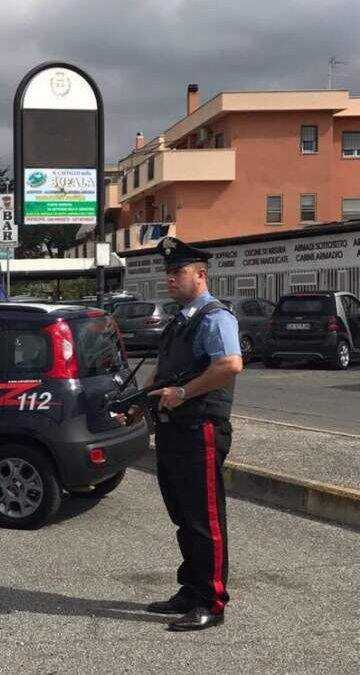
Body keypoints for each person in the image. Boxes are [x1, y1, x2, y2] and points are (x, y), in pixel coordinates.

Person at [139, 237, 243, 631]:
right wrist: (140, 401)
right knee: (183, 515)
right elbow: (164, 369)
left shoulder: (215, 317)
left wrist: (183, 393)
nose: (170, 279)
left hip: (201, 428)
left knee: (204, 519)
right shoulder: (182, 318)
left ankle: (211, 601)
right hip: (175, 429)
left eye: (177, 272)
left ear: (200, 275)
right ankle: (191, 588)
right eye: (168, 272)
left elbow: (230, 365)